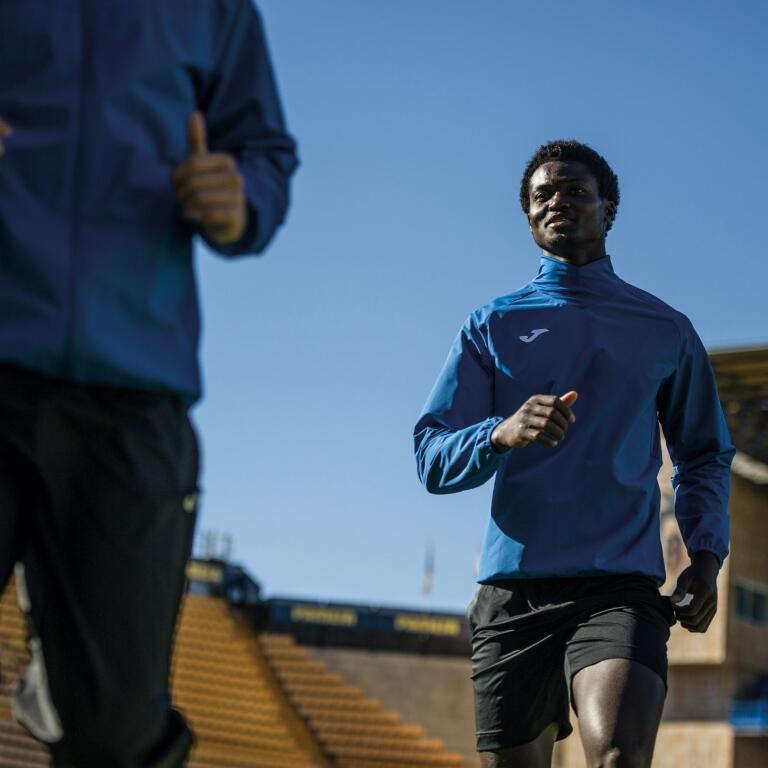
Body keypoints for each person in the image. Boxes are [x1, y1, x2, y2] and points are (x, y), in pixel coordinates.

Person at [0, 1, 297, 765]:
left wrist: (240, 196)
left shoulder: (217, 10)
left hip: (134, 390)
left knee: (113, 730)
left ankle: (59, 681)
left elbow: (262, 149)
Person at [414, 140, 733, 768]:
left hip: (620, 585)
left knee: (617, 754)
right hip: (514, 593)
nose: (558, 201)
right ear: (529, 217)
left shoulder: (664, 328)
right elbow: (430, 457)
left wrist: (706, 553)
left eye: (575, 191)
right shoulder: (491, 325)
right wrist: (499, 433)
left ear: (608, 208)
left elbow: (703, 455)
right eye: (543, 195)